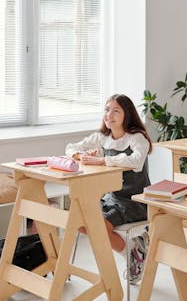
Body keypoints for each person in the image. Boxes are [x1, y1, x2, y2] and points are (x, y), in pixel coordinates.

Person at [65, 94, 152, 284]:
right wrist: (81, 155)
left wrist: (103, 159)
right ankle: (133, 250)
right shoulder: (103, 137)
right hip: (112, 198)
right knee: (79, 222)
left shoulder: (137, 138)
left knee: (100, 227)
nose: (109, 115)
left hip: (135, 200)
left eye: (115, 111)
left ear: (126, 115)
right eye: (106, 109)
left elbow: (136, 161)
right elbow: (70, 147)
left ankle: (133, 254)